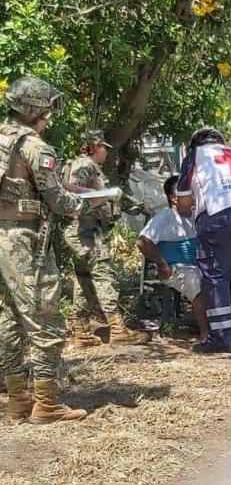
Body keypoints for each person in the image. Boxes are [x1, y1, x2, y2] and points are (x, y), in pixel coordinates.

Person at [0, 76, 106, 423]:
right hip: (25, 242)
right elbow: (57, 200)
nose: (49, 119)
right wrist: (89, 204)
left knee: (6, 319)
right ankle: (46, 403)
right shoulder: (35, 147)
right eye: (46, 112)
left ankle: (17, 399)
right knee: (45, 319)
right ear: (31, 110)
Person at [177, 126, 231, 353]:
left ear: (195, 144)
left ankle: (221, 338)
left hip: (220, 218)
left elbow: (184, 203)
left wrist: (189, 210)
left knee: (216, 277)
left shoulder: (195, 156)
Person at [63, 129, 152, 347]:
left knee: (85, 279)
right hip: (86, 230)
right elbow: (74, 194)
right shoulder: (84, 165)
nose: (105, 152)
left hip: (86, 230)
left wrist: (138, 207)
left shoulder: (92, 168)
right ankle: (117, 328)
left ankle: (81, 330)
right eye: (103, 147)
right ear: (93, 146)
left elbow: (113, 199)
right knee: (104, 275)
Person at [136, 175, 209, 342]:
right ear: (174, 197)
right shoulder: (165, 218)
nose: (190, 195)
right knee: (197, 286)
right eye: (184, 191)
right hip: (176, 269)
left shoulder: (196, 215)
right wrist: (162, 264)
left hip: (198, 265)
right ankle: (206, 335)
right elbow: (142, 242)